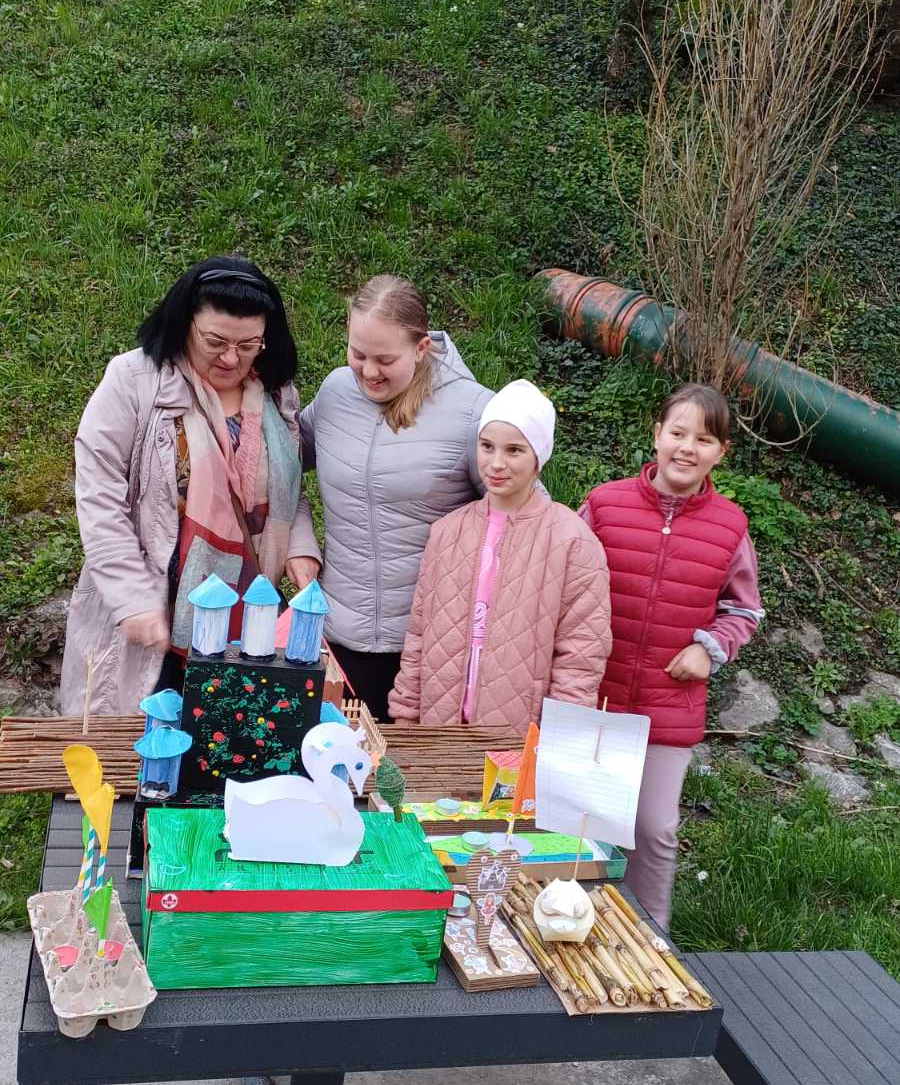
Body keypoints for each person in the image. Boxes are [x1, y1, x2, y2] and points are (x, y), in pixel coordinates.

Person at [60, 256, 319, 716]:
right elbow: (100, 499)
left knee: (230, 739)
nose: (231, 358)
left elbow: (288, 489)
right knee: (139, 742)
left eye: (248, 345)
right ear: (184, 325)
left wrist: (299, 549)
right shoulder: (134, 381)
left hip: (245, 610)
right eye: (215, 342)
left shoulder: (276, 393)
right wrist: (132, 599)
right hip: (152, 611)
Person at [579, 383, 764, 930]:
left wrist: (710, 648)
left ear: (721, 452)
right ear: (657, 434)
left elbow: (744, 610)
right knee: (585, 824)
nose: (687, 447)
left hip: (669, 706)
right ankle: (574, 924)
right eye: (678, 433)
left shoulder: (730, 526)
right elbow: (561, 581)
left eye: (703, 439)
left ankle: (651, 937)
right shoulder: (604, 505)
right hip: (595, 697)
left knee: (654, 827)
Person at [300, 274, 493, 720]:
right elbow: (276, 471)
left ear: (422, 348)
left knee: (413, 765)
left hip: (432, 648)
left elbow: (523, 518)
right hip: (339, 636)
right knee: (338, 758)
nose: (369, 371)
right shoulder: (335, 393)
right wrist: (299, 543)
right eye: (358, 354)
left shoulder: (474, 411)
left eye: (385, 359)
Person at [387, 380, 612, 733]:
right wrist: (406, 711)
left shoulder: (573, 542)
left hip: (520, 738)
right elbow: (418, 635)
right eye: (487, 446)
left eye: (514, 450)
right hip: (439, 731)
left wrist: (561, 737)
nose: (496, 463)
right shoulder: (447, 532)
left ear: (538, 457)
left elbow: (580, 656)